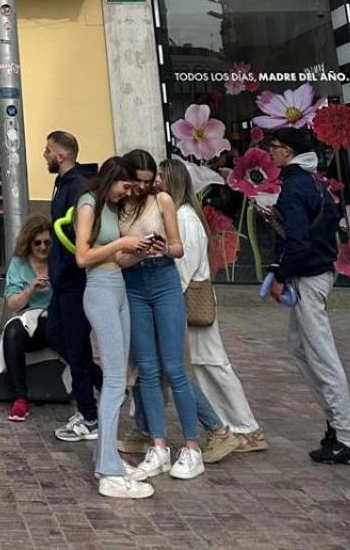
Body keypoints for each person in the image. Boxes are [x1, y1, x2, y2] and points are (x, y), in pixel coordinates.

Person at [149, 157, 267, 455]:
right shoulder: (180, 215)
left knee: (213, 366)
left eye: (160, 177)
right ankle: (233, 426)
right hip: (187, 303)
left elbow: (183, 269)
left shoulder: (185, 219)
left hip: (190, 303)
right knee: (204, 368)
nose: (155, 182)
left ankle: (244, 428)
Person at [267, 126, 350, 466]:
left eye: (275, 147)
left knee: (321, 355)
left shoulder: (294, 188)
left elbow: (298, 240)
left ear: (288, 151)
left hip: (309, 278)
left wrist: (279, 275)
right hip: (317, 273)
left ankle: (345, 436)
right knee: (301, 347)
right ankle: (337, 424)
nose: (272, 152)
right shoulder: (314, 183)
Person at [116, 148, 205, 482]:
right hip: (134, 282)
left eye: (147, 181)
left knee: (175, 367)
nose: (141, 188)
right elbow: (116, 257)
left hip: (164, 277)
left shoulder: (163, 200)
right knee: (147, 370)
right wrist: (134, 251)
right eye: (135, 182)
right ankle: (159, 446)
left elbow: (179, 247)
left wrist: (163, 248)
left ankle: (193, 448)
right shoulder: (118, 205)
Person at [74, 157, 154, 500]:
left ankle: (108, 461)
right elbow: (83, 257)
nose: (129, 193)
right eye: (126, 186)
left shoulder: (108, 205)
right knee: (114, 380)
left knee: (119, 379)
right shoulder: (89, 203)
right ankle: (108, 469)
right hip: (100, 291)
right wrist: (122, 243)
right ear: (112, 179)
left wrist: (140, 250)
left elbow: (115, 259)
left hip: (117, 286)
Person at [44, 130, 102, 444]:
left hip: (74, 281)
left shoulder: (77, 187)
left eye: (48, 151)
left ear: (60, 155)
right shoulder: (65, 185)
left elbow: (78, 235)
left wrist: (65, 269)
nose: (44, 156)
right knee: (55, 334)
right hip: (63, 280)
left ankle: (89, 415)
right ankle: (103, 383)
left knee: (77, 348)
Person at [0, 214, 53, 421]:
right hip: (30, 319)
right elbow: (13, 304)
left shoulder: (58, 261)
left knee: (71, 335)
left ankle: (99, 382)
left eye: (47, 243)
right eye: (37, 243)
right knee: (12, 333)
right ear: (29, 242)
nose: (42, 247)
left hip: (55, 318)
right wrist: (31, 289)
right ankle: (20, 397)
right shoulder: (19, 264)